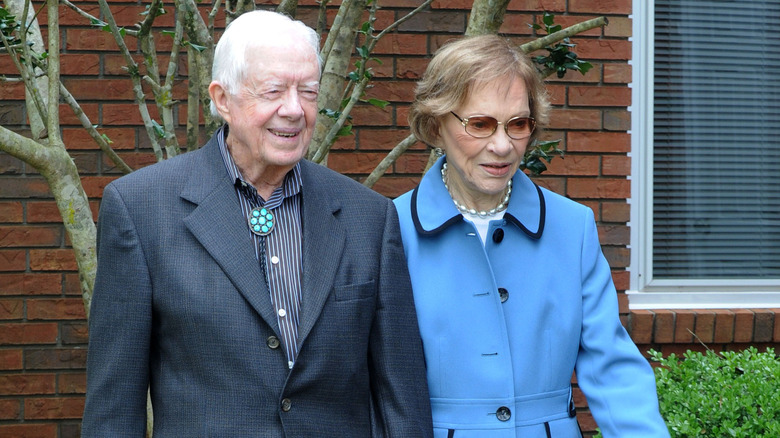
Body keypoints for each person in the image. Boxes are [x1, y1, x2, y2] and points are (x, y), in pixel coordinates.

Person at [82, 10, 432, 437]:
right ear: (222, 99)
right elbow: (114, 404)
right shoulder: (141, 209)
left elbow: (402, 400)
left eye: (307, 91)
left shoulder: (369, 216)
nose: (294, 110)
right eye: (273, 91)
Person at [394, 35, 669, 437]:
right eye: (481, 124)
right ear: (436, 125)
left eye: (518, 124)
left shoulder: (572, 227)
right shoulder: (388, 230)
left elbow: (613, 371)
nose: (503, 145)